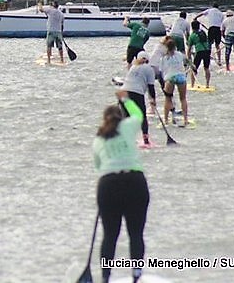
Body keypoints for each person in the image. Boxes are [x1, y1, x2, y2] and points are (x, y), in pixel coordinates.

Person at [94, 89, 149, 283]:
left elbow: (98, 167)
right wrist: (125, 98)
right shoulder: (127, 126)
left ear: (104, 120)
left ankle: (105, 277)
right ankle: (136, 275)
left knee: (110, 235)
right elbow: (139, 115)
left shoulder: (98, 139)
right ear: (120, 117)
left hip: (108, 185)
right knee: (135, 234)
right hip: (134, 182)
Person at [121, 51, 156, 145]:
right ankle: (146, 140)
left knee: (126, 118)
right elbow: (151, 87)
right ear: (148, 60)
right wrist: (153, 100)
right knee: (142, 117)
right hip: (136, 93)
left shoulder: (133, 66)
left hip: (123, 92)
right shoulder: (149, 69)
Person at [160, 38, 189, 126]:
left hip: (170, 78)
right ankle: (185, 119)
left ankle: (165, 120)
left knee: (167, 99)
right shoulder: (180, 54)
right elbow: (186, 61)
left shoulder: (164, 58)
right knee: (183, 99)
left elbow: (162, 70)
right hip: (181, 77)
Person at [187, 20, 211, 88]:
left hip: (199, 52)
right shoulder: (203, 33)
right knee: (206, 68)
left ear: (192, 27)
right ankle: (207, 84)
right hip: (207, 51)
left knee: (194, 69)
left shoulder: (192, 36)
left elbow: (189, 48)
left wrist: (188, 58)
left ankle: (192, 85)